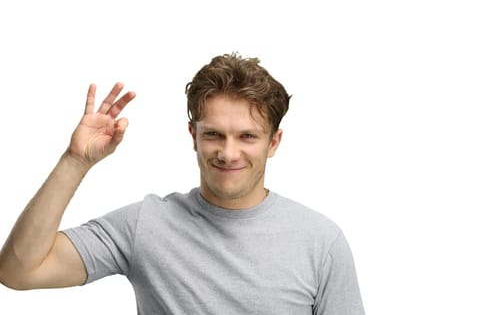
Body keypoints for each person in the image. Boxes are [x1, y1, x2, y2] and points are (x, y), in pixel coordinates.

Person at [0, 53, 365, 314]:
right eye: (214, 135)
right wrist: (75, 162)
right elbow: (18, 271)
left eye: (247, 137)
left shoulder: (320, 241)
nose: (228, 152)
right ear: (193, 135)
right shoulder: (145, 225)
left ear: (274, 142)